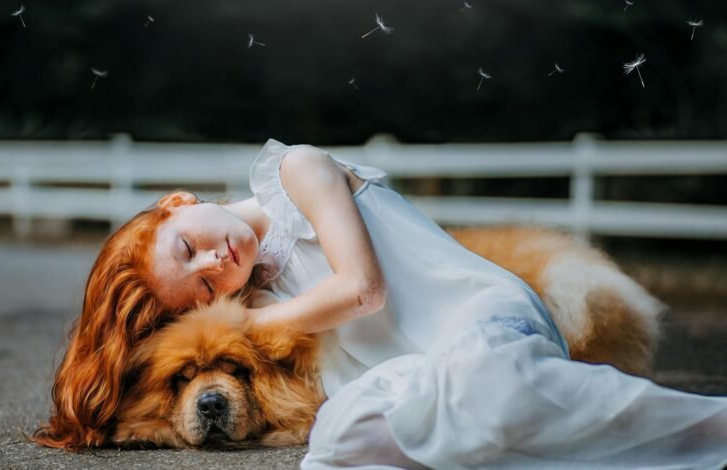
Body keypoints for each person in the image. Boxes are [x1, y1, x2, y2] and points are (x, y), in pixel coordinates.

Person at [35, 138, 727, 468]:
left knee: (493, 388)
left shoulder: (296, 172)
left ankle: (710, 432)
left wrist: (236, 324)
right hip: (426, 360)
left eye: (191, 248)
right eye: (207, 288)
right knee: (344, 442)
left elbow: (363, 291)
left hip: (484, 316)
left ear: (178, 205)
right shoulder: (256, 285)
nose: (218, 265)